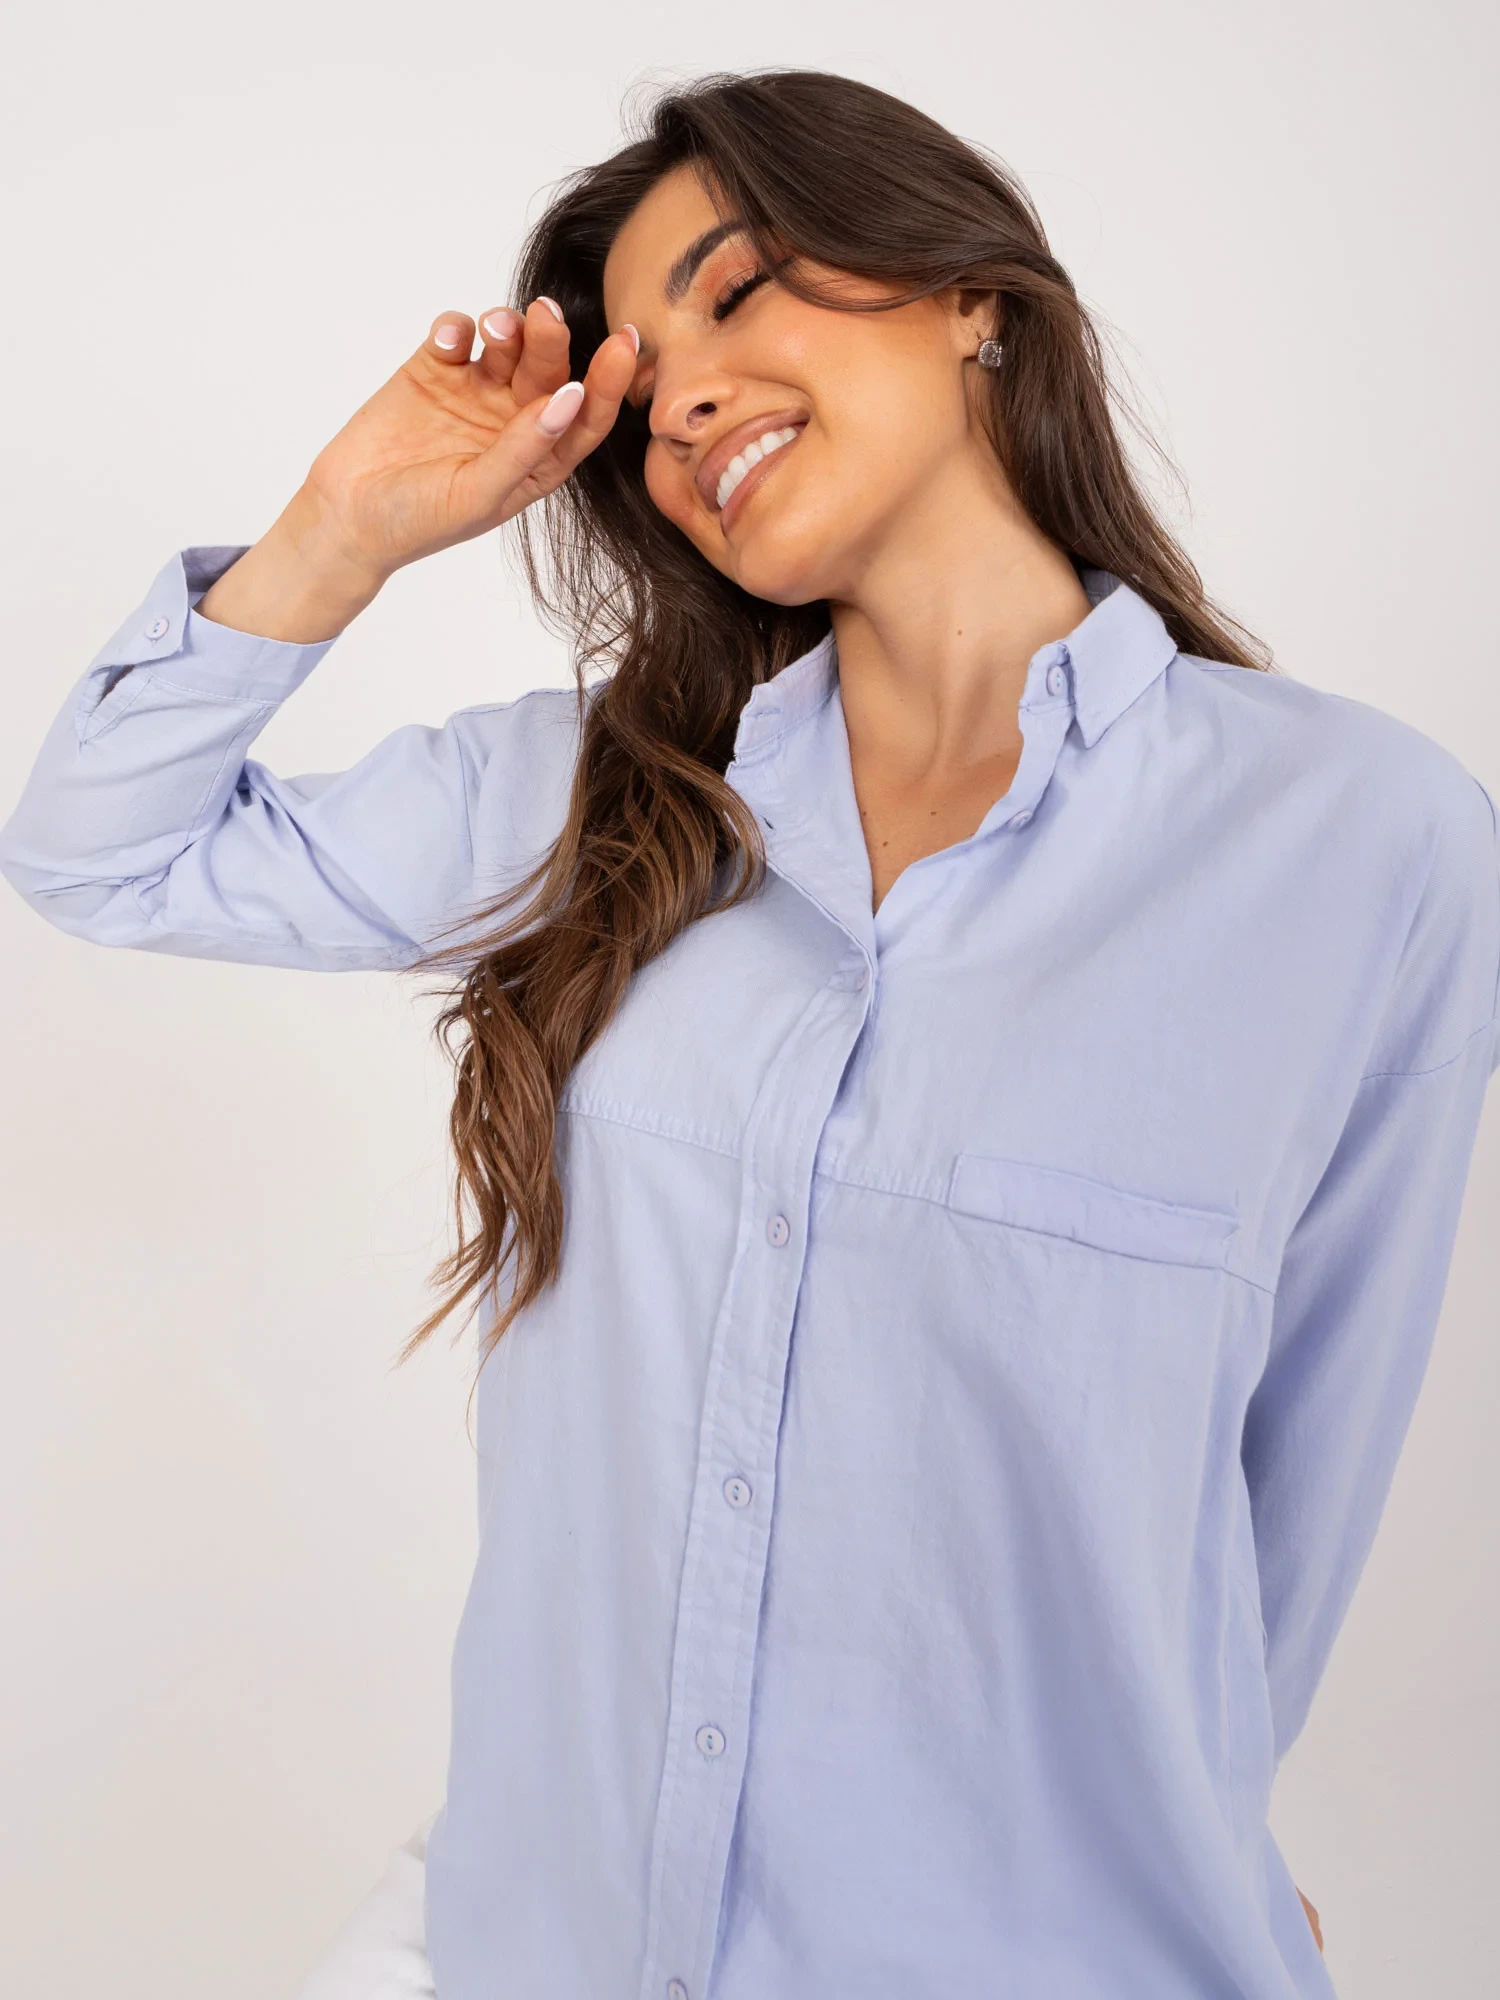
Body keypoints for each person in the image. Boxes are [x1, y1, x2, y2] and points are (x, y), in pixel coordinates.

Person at [3, 65, 1495, 2000]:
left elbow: (1307, 1462)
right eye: (642, 390)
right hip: (558, 1948)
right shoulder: (598, 808)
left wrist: (1198, 1813)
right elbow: (101, 851)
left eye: (736, 290)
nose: (688, 398)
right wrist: (345, 527)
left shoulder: (1362, 844)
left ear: (973, 297)